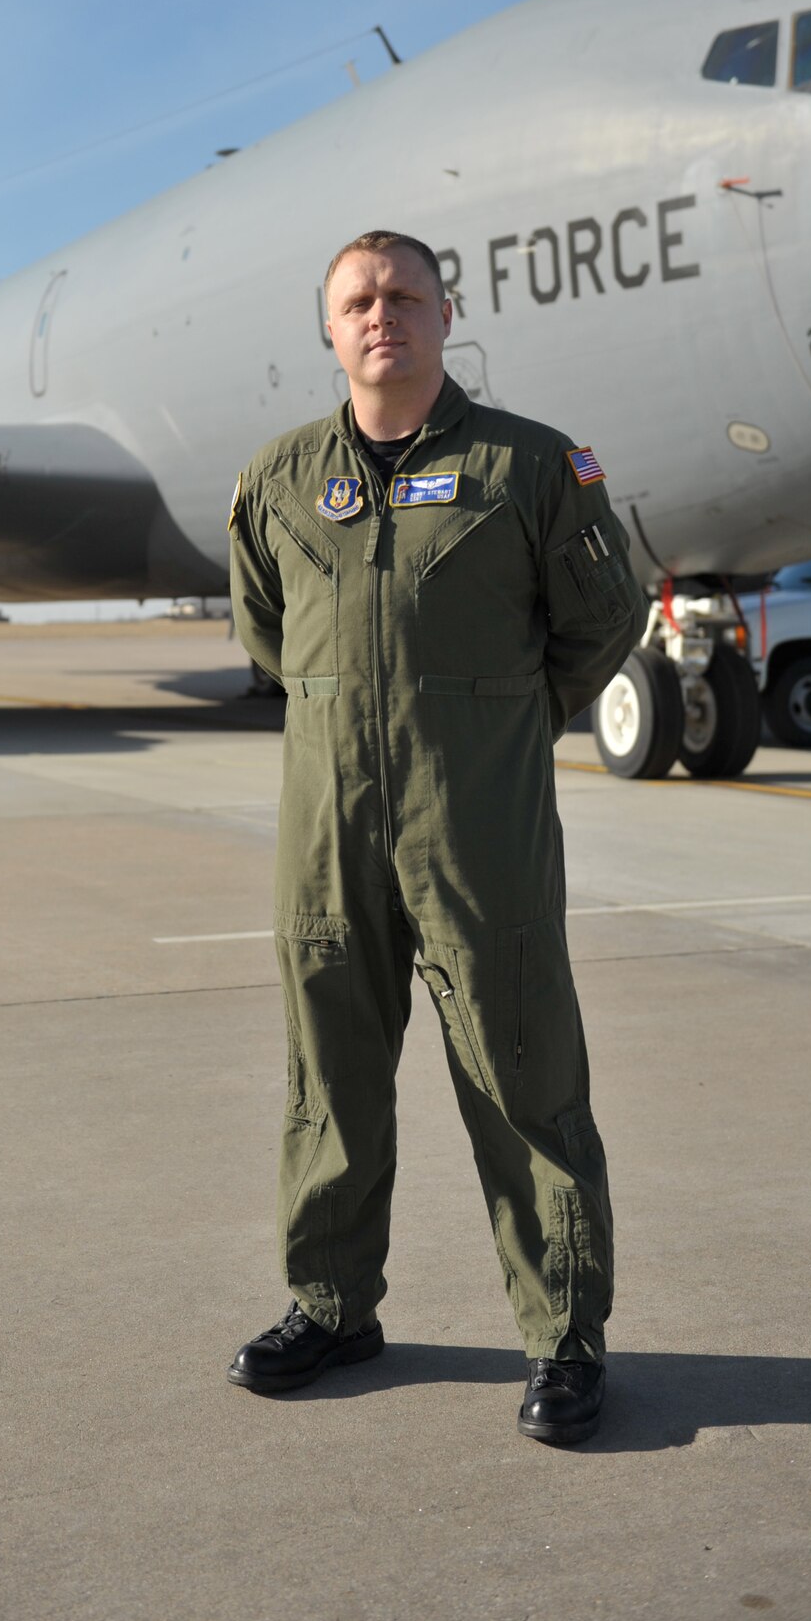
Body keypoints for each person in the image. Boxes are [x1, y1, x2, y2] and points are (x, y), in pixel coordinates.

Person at [226, 229, 648, 1444]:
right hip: (325, 831)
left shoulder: (529, 465)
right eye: (358, 299)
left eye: (404, 294)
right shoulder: (280, 477)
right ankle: (329, 1305)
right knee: (327, 1077)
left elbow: (599, 622)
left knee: (523, 1076)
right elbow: (267, 633)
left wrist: (488, 722)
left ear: (445, 313)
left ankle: (562, 1335)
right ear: (328, 327)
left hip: (476, 828)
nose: (382, 314)